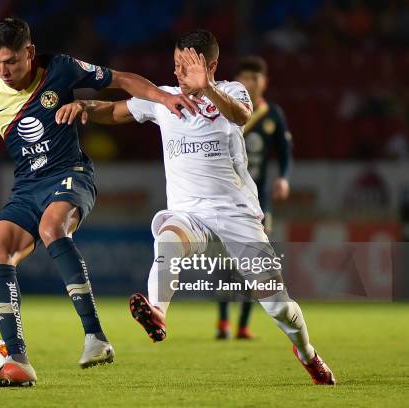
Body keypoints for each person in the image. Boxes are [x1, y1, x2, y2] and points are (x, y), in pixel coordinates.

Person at [0, 17, 198, 387]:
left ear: (29, 52)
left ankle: (96, 338)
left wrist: (164, 97)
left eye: (10, 61)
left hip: (71, 173)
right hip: (27, 185)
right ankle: (19, 358)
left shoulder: (60, 68)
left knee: (51, 228)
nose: (3, 70)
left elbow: (121, 79)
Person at [55, 29, 335, 385]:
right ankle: (157, 311)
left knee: (279, 307)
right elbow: (114, 111)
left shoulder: (232, 91)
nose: (178, 73)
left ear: (211, 64)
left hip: (237, 216)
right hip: (191, 216)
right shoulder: (164, 98)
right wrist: (83, 106)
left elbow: (241, 116)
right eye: (175, 65)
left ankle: (307, 353)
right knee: (168, 238)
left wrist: (207, 87)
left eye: (186, 66)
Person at [216, 56, 294, 340]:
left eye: (255, 78)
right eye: (245, 78)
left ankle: (243, 325)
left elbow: (285, 153)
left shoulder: (273, 114)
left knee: (256, 263)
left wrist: (284, 178)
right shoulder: (222, 108)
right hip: (225, 196)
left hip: (258, 200)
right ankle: (223, 321)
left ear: (265, 82)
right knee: (227, 262)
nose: (250, 83)